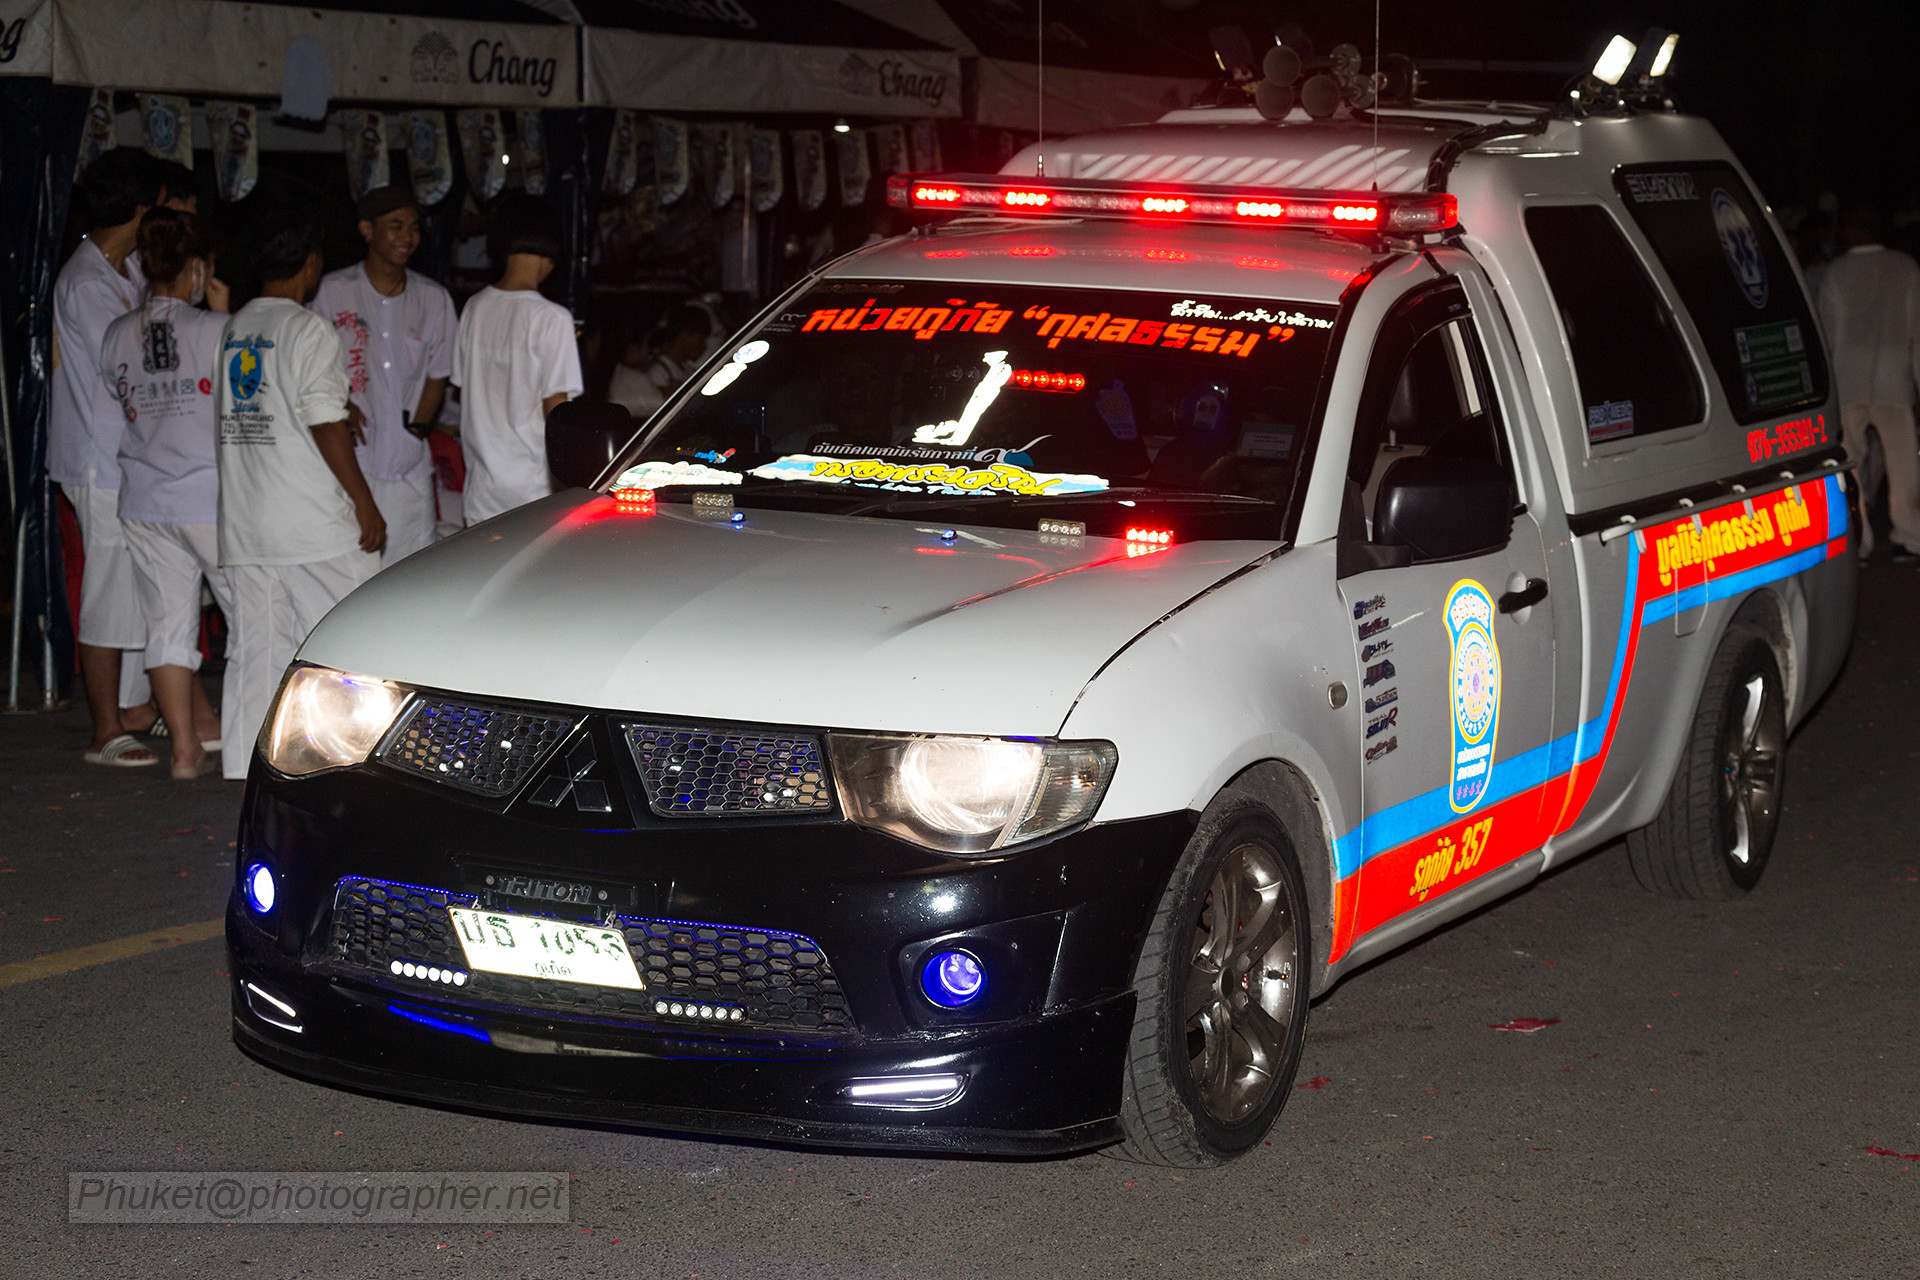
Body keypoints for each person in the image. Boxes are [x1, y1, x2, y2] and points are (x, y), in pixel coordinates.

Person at [215, 219, 385, 781]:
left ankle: (246, 768)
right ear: (310, 265)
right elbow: (324, 423)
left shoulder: (237, 325)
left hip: (247, 518)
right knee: (358, 640)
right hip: (310, 522)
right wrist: (364, 502)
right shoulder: (308, 329)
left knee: (256, 652)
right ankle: (363, 765)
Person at [100, 208, 233, 779]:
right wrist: (222, 314)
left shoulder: (116, 333)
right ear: (198, 267)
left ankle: (184, 750)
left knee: (167, 626)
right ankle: (253, 734)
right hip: (209, 500)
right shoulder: (214, 329)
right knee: (250, 620)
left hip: (147, 499)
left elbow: (118, 396)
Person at [51, 148, 162, 766]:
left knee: (133, 588)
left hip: (125, 458)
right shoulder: (88, 280)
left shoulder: (122, 271)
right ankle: (103, 730)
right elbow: (126, 370)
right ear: (140, 209)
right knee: (106, 590)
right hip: (99, 458)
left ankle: (137, 708)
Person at [310, 186, 458, 565]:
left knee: (415, 578)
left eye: (413, 227)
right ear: (366, 229)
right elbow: (309, 366)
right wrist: (342, 403)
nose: (407, 237)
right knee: (353, 577)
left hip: (410, 468)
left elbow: (439, 372)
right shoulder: (333, 291)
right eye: (395, 226)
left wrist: (419, 429)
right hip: (350, 466)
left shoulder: (434, 298)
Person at [449, 194, 582, 524]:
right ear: (551, 248)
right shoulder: (552, 318)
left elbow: (469, 388)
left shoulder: (474, 308)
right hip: (533, 495)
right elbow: (557, 411)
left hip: (480, 493)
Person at [1816, 201, 1920, 564]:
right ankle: (1909, 536)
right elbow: (1917, 331)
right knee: (1904, 462)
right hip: (1895, 377)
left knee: (1851, 462)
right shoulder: (1905, 267)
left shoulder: (1838, 271)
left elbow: (1827, 333)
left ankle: (1859, 541)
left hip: (1848, 377)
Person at [645, 304, 713, 398]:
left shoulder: (688, 370)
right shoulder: (659, 372)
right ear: (685, 335)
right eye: (701, 340)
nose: (704, 346)